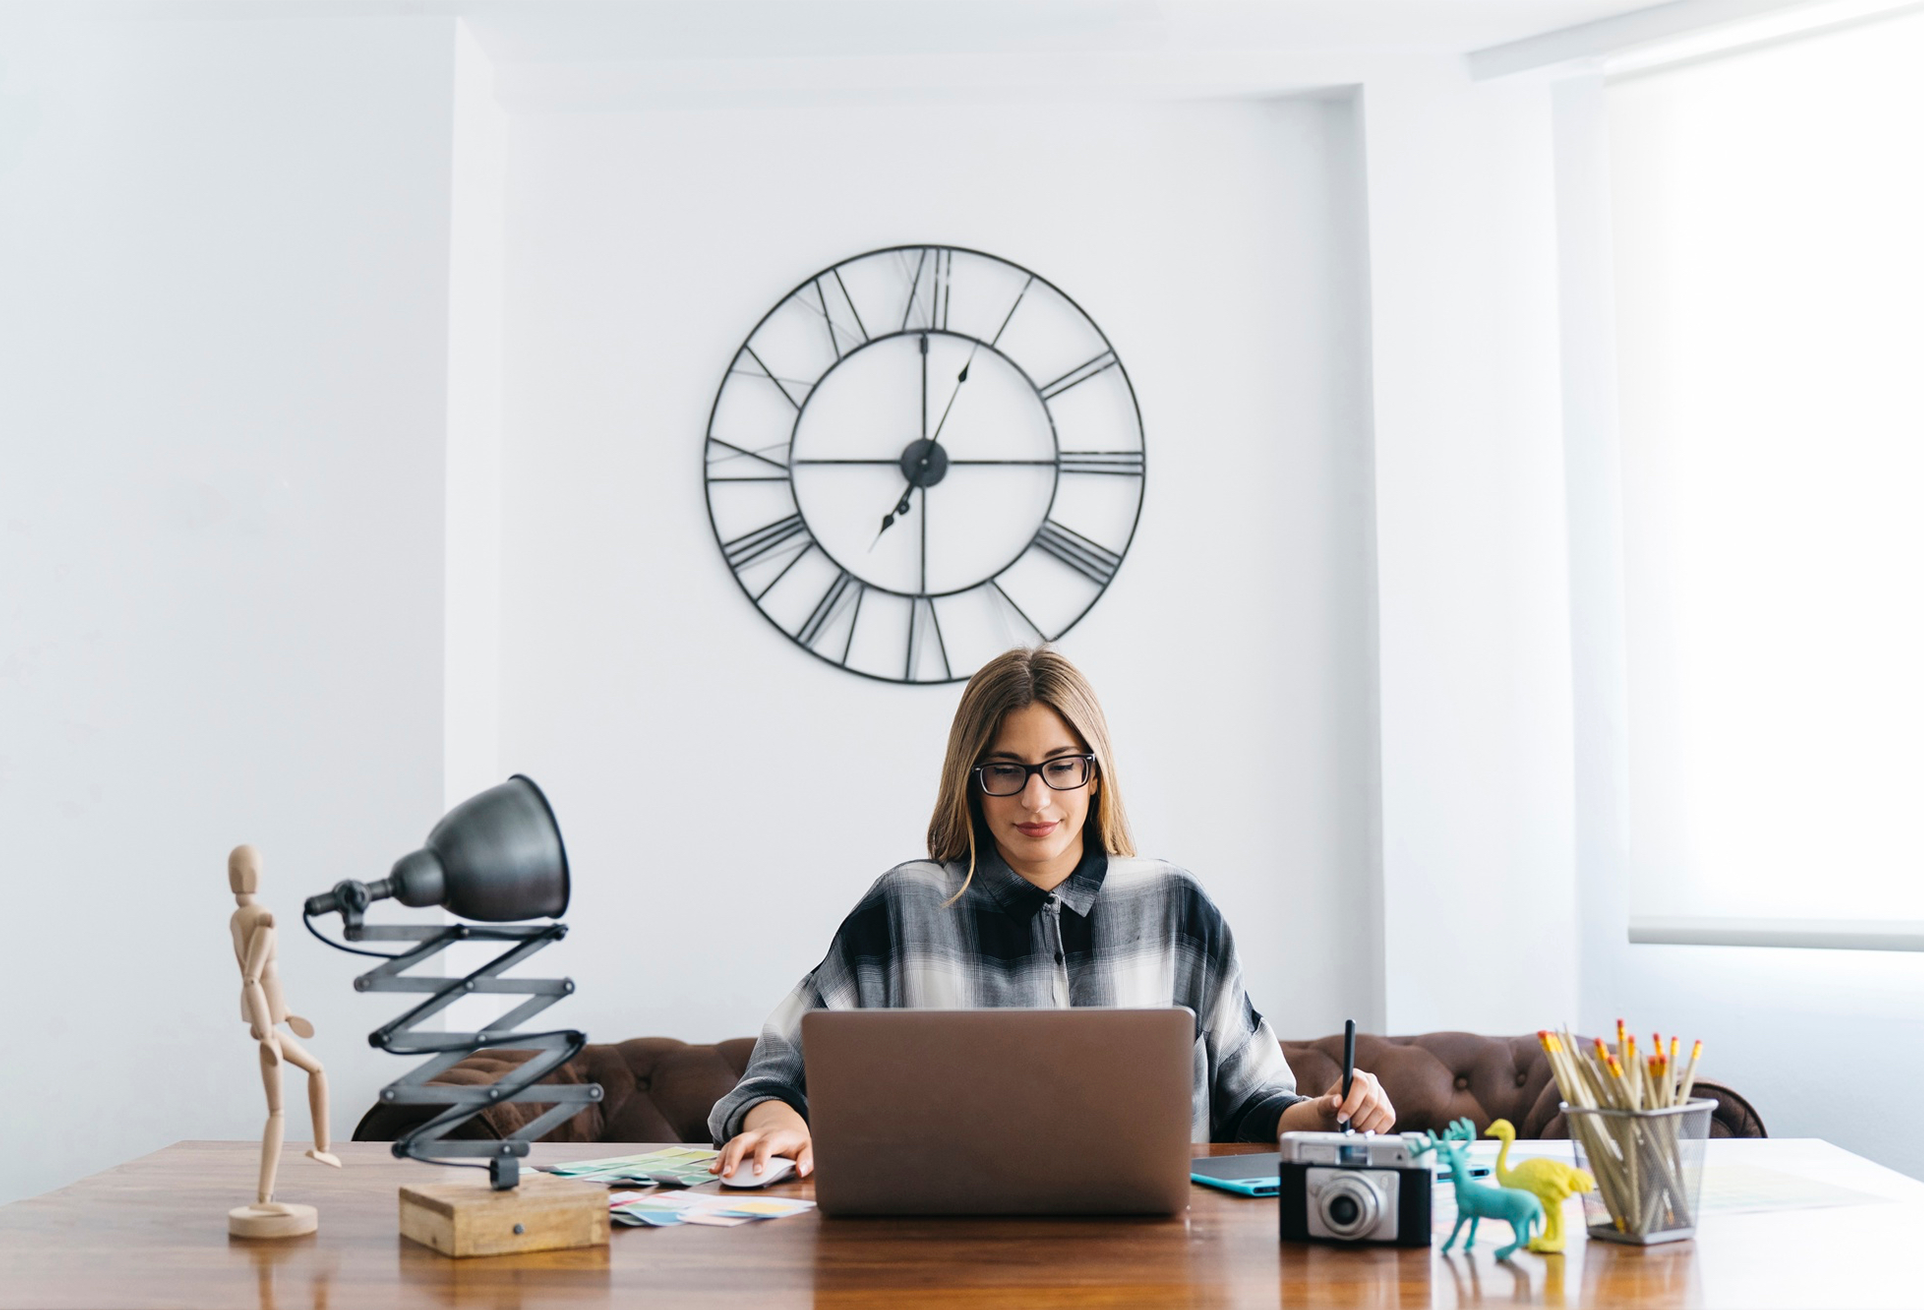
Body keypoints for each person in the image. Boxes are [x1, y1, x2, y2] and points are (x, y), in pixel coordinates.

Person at [708, 647, 1394, 1180]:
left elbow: (1252, 1102)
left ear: (1095, 776)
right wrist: (779, 1122)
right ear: (971, 783)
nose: (1036, 800)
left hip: (1150, 1256)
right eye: (1005, 770)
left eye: (1062, 766)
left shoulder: (1176, 909)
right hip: (939, 1248)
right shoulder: (904, 908)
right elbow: (773, 1078)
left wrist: (1326, 1113)